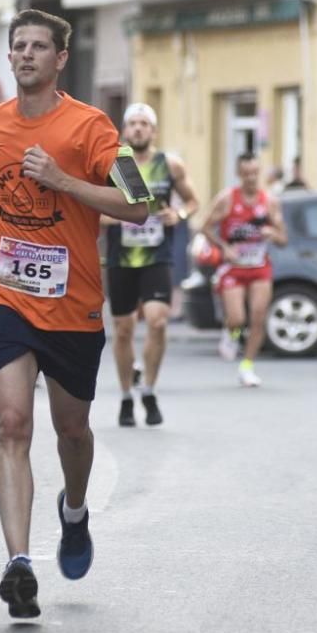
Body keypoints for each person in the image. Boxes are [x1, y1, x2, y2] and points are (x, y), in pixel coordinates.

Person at [0, 9, 150, 619]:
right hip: (4, 294)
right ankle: (19, 564)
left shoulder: (93, 127)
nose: (25, 55)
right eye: (17, 46)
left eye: (38, 47)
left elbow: (140, 204)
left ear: (60, 58)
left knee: (71, 430)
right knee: (12, 424)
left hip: (72, 306)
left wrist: (66, 181)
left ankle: (74, 510)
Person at [103, 102, 199, 427]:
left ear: (154, 131)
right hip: (121, 257)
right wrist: (117, 218)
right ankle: (127, 396)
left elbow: (193, 201)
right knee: (124, 329)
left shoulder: (169, 165)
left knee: (158, 322)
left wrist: (180, 214)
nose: (139, 129)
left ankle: (149, 389)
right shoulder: (115, 164)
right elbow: (91, 207)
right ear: (124, 130)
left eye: (145, 123)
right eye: (133, 123)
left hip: (157, 254)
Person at [202, 153, 288, 387]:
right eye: (246, 173)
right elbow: (206, 227)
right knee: (237, 318)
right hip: (234, 267)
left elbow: (283, 239)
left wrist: (273, 234)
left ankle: (247, 366)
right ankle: (231, 333)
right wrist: (224, 247)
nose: (251, 178)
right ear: (239, 174)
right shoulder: (228, 199)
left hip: (260, 266)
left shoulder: (269, 201)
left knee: (258, 317)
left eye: (255, 173)